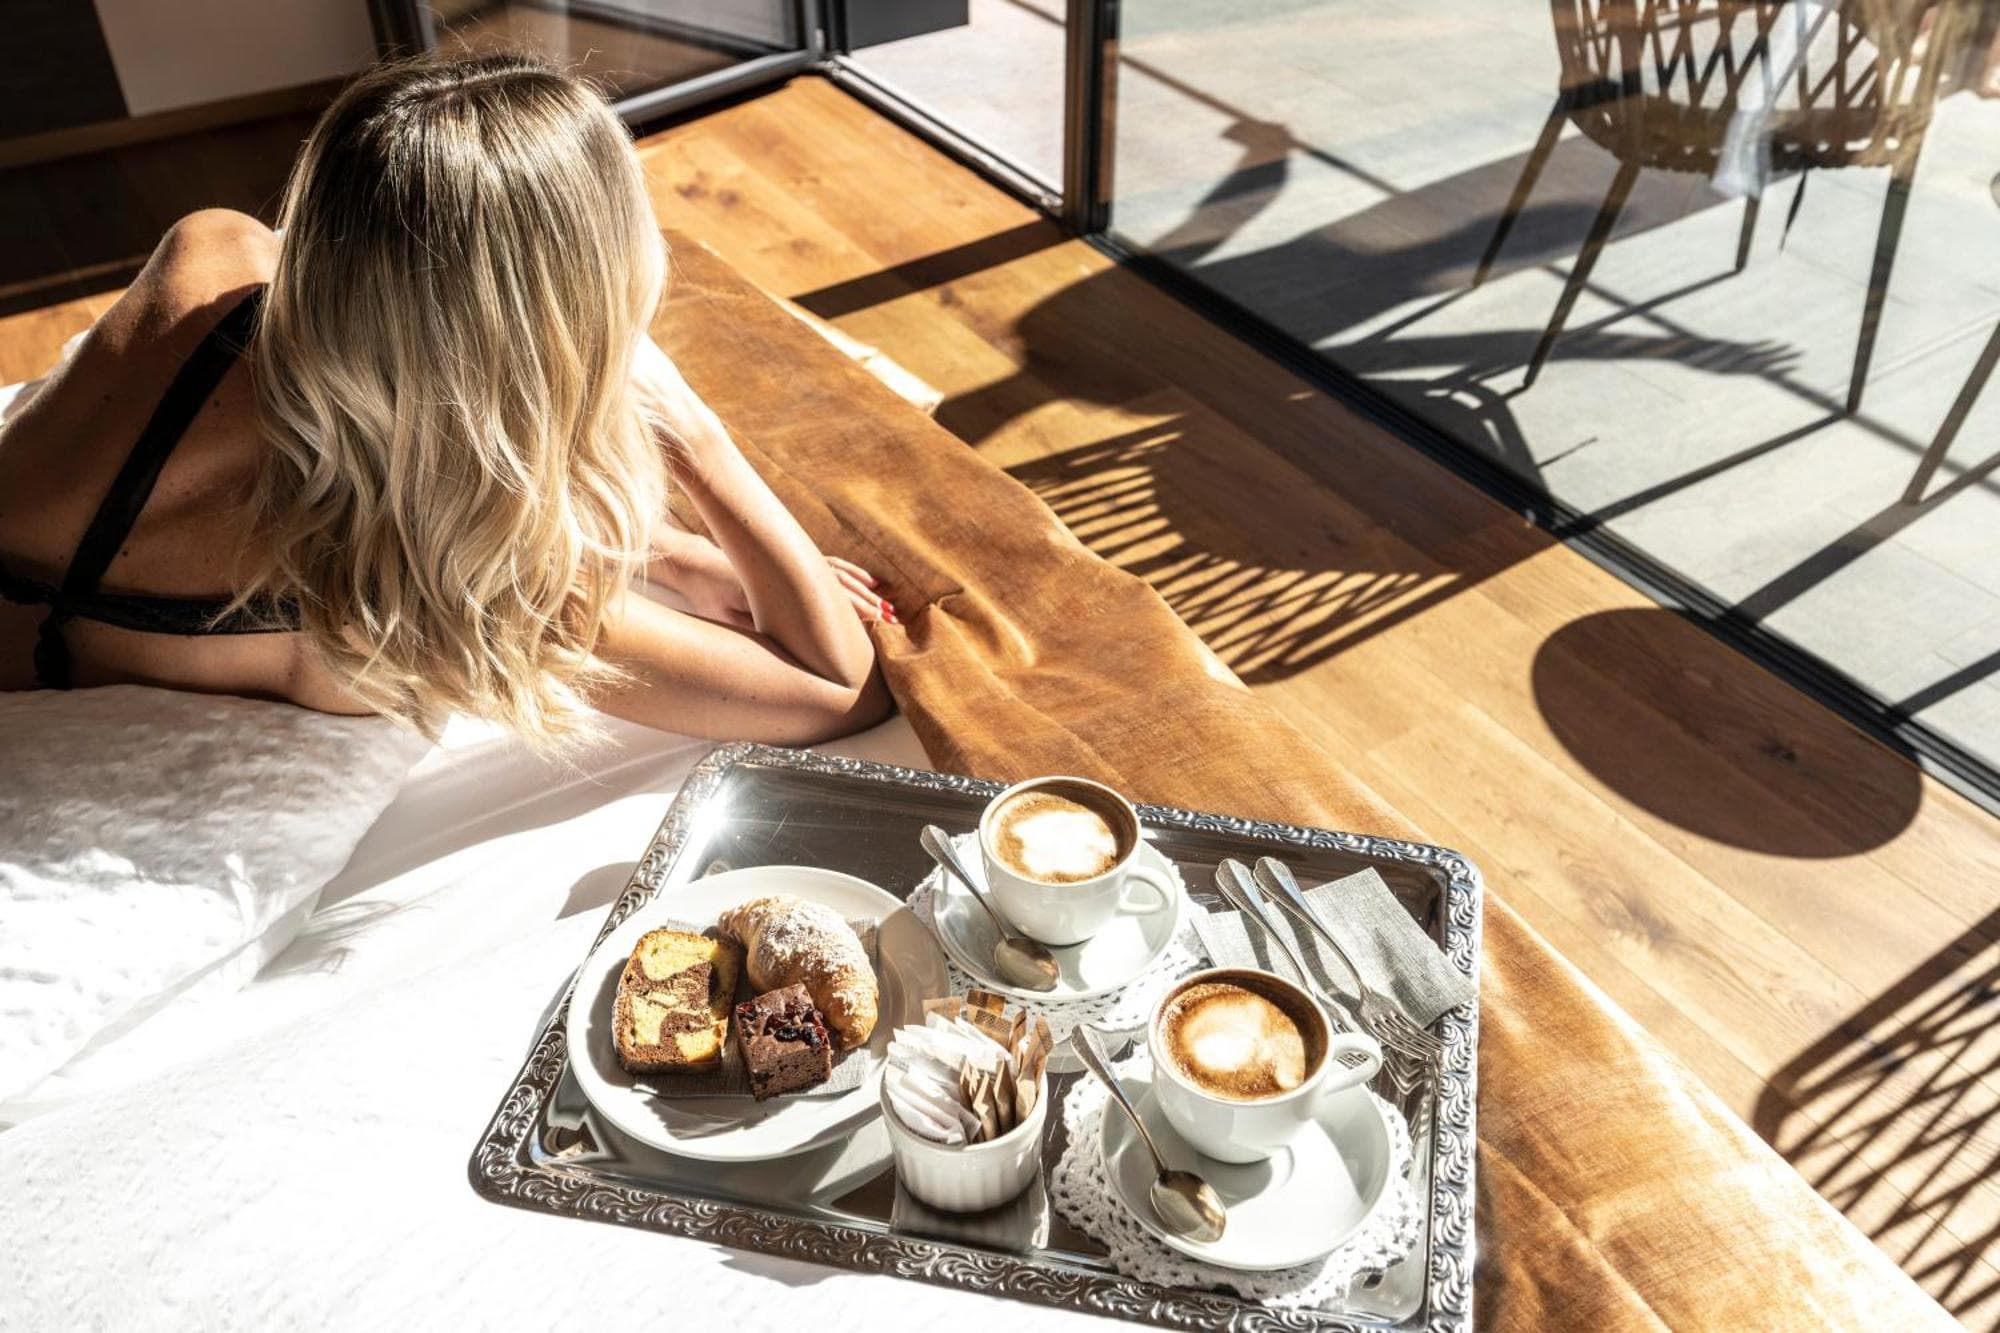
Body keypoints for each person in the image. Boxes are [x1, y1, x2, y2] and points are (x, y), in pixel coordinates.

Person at [0, 51, 894, 748]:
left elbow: (378, 369)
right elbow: (836, 687)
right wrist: (695, 436)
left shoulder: (210, 259)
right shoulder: (453, 597)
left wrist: (672, 553)